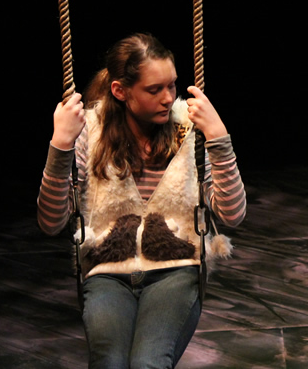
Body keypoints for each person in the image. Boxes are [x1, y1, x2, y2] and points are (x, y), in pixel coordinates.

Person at [37, 33, 246, 368]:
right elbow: (50, 222)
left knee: (148, 363)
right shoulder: (90, 132)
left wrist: (219, 138)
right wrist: (59, 145)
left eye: (172, 86)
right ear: (121, 91)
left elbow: (233, 214)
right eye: (154, 89)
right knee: (110, 363)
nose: (168, 98)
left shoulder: (188, 131)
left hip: (175, 270)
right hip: (108, 273)